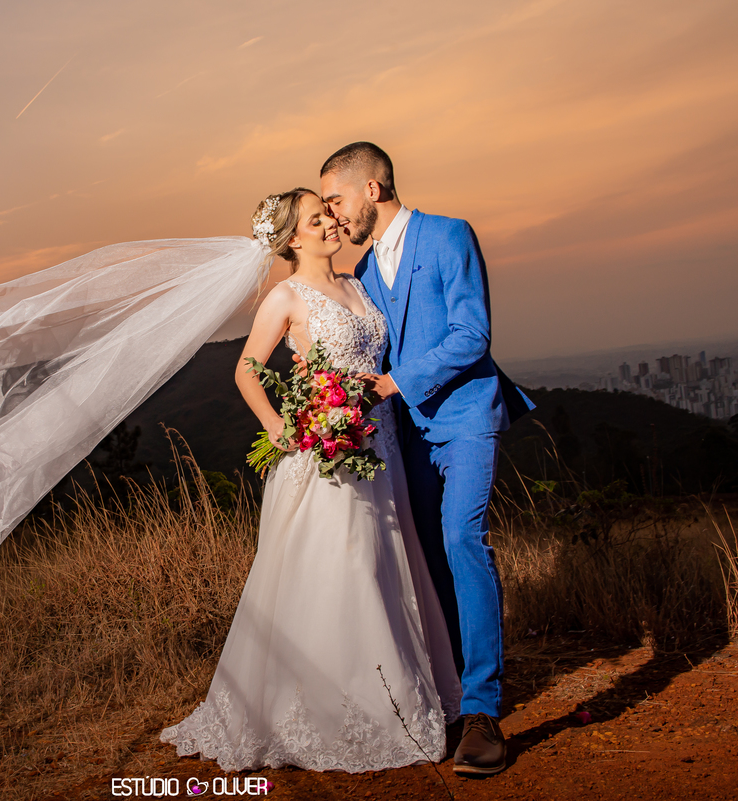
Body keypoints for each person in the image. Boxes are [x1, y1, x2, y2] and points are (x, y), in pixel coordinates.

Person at [159, 188, 461, 772]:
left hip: (381, 445)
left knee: (384, 560)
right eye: (315, 220)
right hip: (326, 454)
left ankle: (399, 691)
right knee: (344, 563)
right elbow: (247, 370)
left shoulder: (358, 284)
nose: (329, 224)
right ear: (292, 240)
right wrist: (279, 425)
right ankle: (336, 705)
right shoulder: (286, 295)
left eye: (328, 214)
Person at [319, 142, 534, 776]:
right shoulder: (361, 270)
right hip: (404, 433)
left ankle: (484, 713)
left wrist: (394, 383)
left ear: (373, 188)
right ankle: (452, 692)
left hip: (465, 418)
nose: (333, 214)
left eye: (336, 199)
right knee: (427, 554)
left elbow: (472, 335)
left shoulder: (449, 235)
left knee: (463, 539)